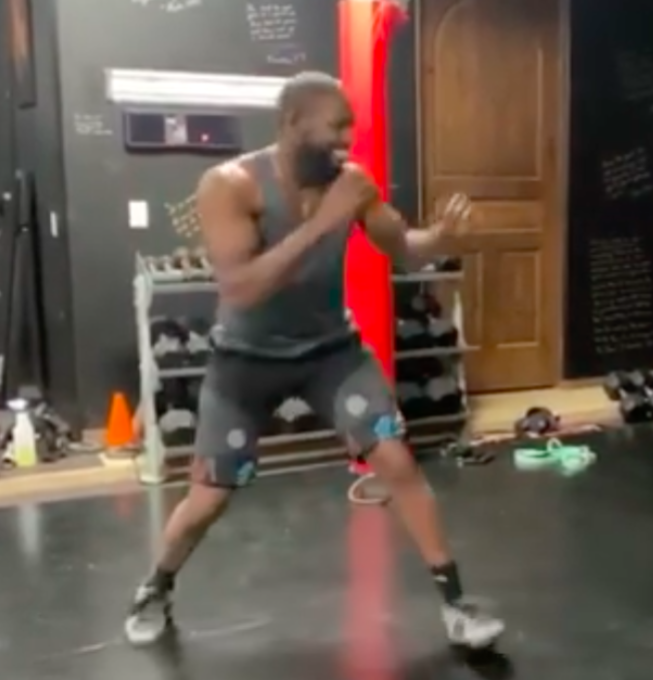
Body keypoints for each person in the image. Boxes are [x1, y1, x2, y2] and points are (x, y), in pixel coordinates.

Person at [124, 71, 504, 649]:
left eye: (351, 128)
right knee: (210, 495)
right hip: (245, 362)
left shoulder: (352, 182)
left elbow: (402, 248)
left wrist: (444, 238)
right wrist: (325, 221)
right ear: (292, 124)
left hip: (331, 352)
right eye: (335, 128)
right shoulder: (230, 185)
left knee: (397, 462)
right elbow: (242, 287)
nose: (347, 142)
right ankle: (156, 587)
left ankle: (457, 604)